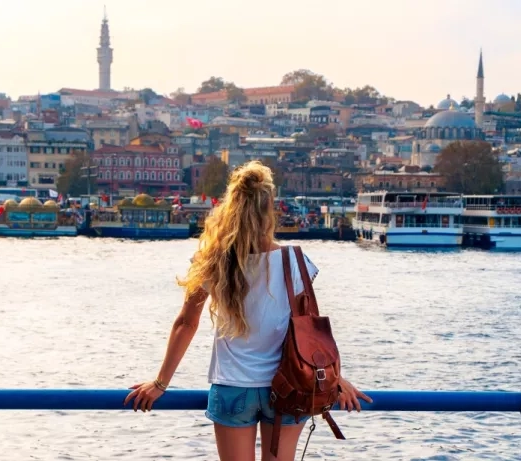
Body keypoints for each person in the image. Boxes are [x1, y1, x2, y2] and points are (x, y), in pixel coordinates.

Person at [125, 161, 371, 461]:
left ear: (231, 208)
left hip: (233, 387)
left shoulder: (211, 260)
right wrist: (335, 379)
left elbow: (186, 323)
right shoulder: (295, 262)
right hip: (288, 387)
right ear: (270, 211)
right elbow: (310, 332)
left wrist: (160, 382)